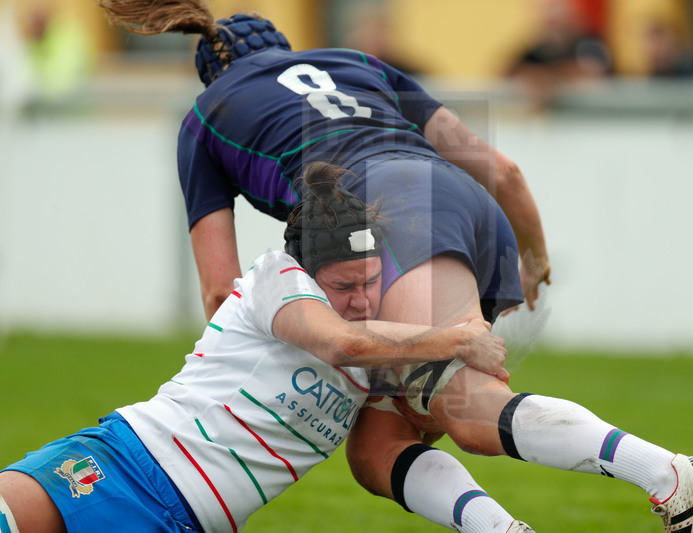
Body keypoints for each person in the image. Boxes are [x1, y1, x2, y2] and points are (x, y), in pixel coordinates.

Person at [97, 2, 693, 532]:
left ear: (214, 71)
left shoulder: (207, 117)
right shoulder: (354, 62)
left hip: (385, 215)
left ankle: (666, 473)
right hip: (462, 200)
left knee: (469, 409)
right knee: (376, 451)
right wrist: (535, 257)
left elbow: (217, 291)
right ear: (287, 46)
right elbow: (501, 168)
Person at [0, 162, 528, 533]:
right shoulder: (276, 277)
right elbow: (339, 343)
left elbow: (410, 423)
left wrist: (453, 382)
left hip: (194, 520)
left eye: (369, 281)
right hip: (128, 462)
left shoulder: (382, 344)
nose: (362, 300)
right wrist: (456, 337)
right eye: (342, 287)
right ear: (309, 272)